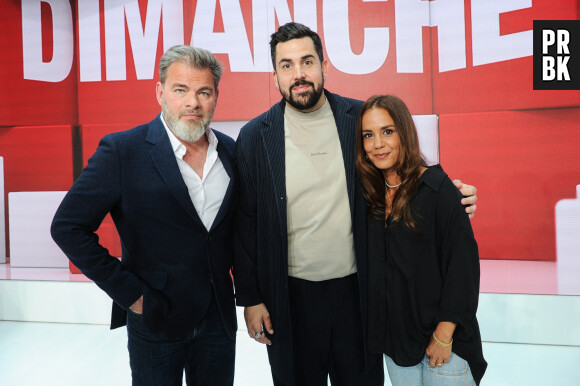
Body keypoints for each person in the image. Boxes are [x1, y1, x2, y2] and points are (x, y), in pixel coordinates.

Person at [233, 22, 479, 386]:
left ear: (325, 67)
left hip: (358, 294)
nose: (298, 74)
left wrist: (449, 192)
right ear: (275, 77)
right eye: (287, 66)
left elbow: (399, 164)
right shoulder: (254, 136)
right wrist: (251, 299)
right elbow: (245, 223)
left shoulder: (358, 119)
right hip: (289, 297)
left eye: (307, 62)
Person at [50, 45, 237, 386]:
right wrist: (130, 294)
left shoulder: (233, 152)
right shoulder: (122, 150)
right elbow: (68, 226)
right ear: (160, 92)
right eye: (180, 90)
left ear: (215, 96)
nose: (192, 102)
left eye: (203, 92)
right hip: (154, 317)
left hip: (218, 322)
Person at [357, 95, 487, 385]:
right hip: (396, 347)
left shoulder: (439, 189)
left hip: (444, 346)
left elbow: (462, 269)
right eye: (368, 135)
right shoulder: (368, 197)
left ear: (405, 132)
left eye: (387, 131)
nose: (378, 144)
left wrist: (443, 334)